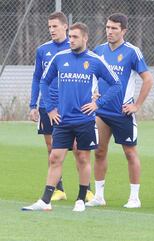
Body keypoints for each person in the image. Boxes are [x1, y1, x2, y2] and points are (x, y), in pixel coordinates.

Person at [22, 22, 122, 212]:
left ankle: (80, 199)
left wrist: (97, 104)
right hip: (63, 119)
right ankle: (45, 200)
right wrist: (50, 108)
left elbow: (116, 84)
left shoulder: (95, 60)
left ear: (85, 38)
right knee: (55, 157)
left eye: (75, 37)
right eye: (70, 37)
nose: (71, 40)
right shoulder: (60, 58)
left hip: (84, 120)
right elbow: (44, 80)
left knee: (83, 158)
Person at [85, 13, 153, 209]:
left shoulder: (132, 52)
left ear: (123, 30)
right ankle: (99, 196)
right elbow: (93, 76)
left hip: (123, 113)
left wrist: (136, 105)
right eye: (107, 27)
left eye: (114, 28)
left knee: (130, 153)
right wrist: (94, 93)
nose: (110, 31)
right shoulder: (99, 51)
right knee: (98, 151)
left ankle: (134, 198)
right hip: (102, 111)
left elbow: (148, 79)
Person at [28, 12, 94, 202]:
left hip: (71, 107)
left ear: (65, 27)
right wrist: (34, 104)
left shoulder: (75, 47)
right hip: (48, 106)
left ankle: (86, 190)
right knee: (52, 148)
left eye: (55, 26)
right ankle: (59, 189)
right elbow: (37, 77)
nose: (51, 30)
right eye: (49, 27)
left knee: (78, 148)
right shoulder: (43, 50)